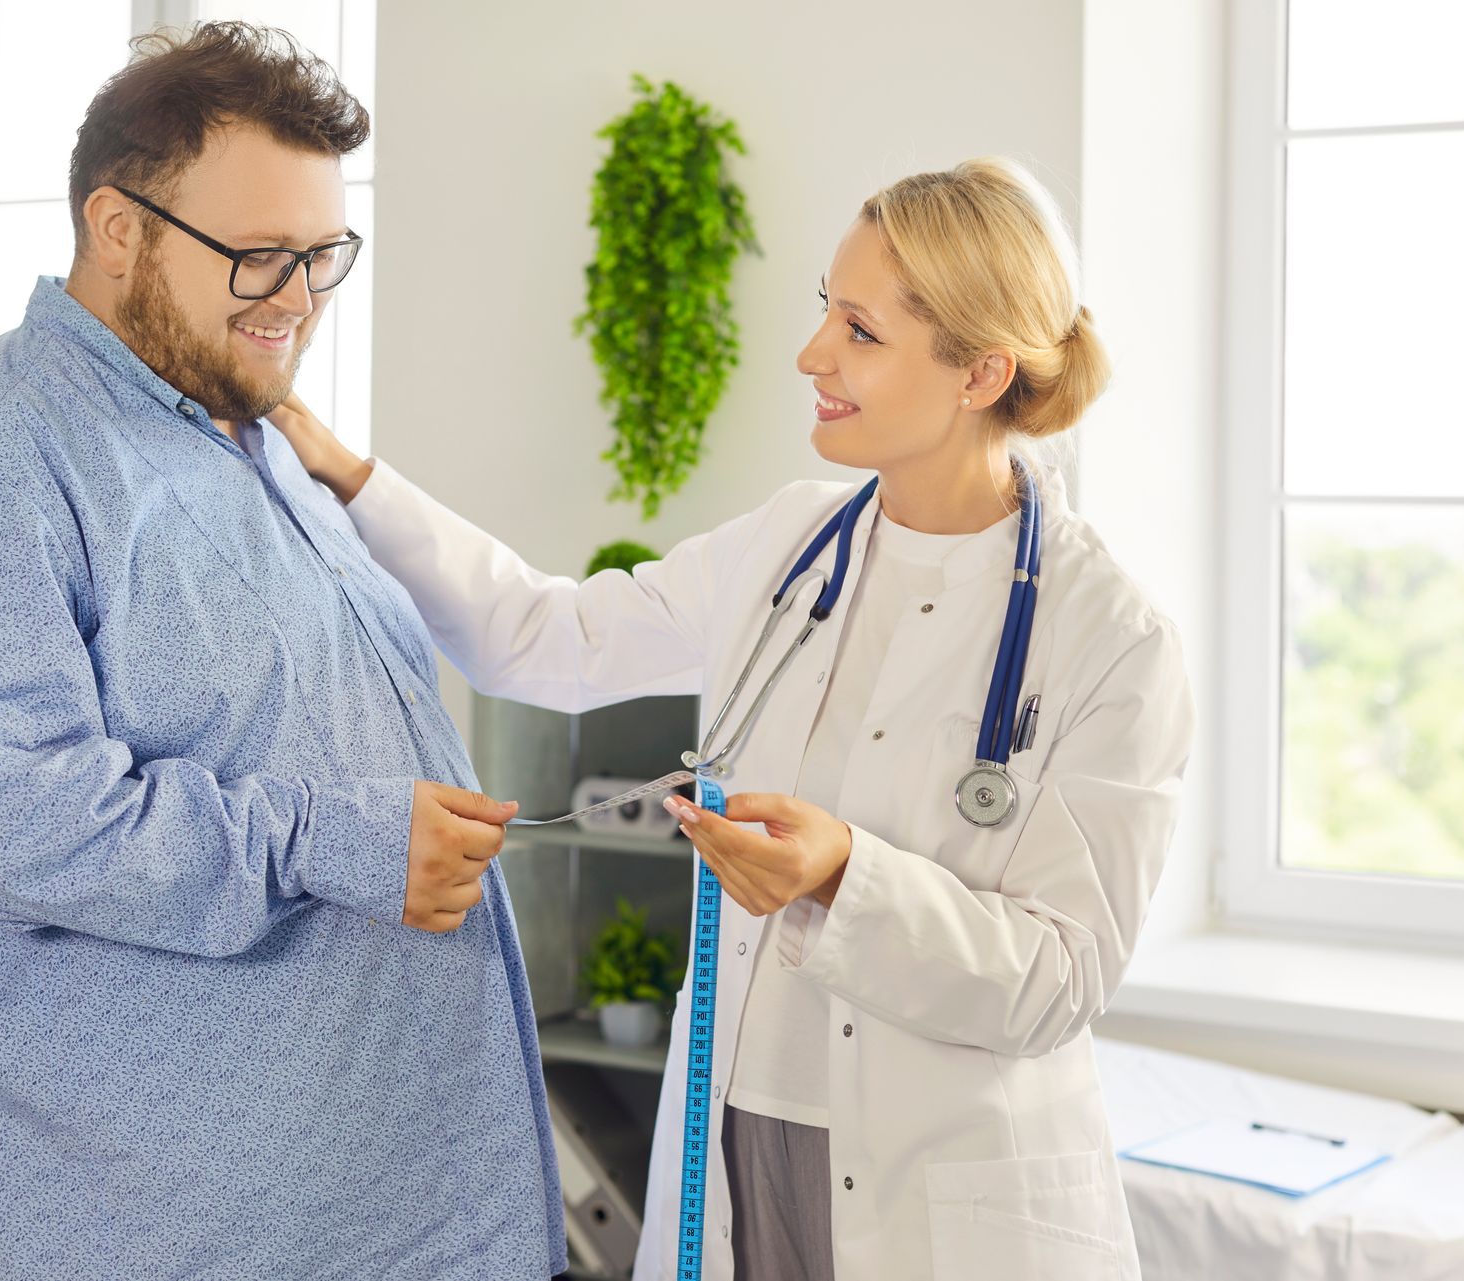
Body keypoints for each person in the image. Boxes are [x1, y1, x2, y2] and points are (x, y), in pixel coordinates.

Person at [270, 157, 1195, 1280]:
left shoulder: (1113, 639)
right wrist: (344, 474)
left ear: (979, 371)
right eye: (825, 309)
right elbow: (545, 636)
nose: (813, 354)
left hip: (938, 1185)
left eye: (859, 330)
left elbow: (1060, 977)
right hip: (734, 1136)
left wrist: (846, 874)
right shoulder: (788, 545)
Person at [0, 23, 564, 1280]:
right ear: (117, 227)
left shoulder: (250, 441)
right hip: (158, 1235)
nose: (301, 300)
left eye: (324, 256)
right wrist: (339, 841)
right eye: (260, 258)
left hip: (373, 1214)